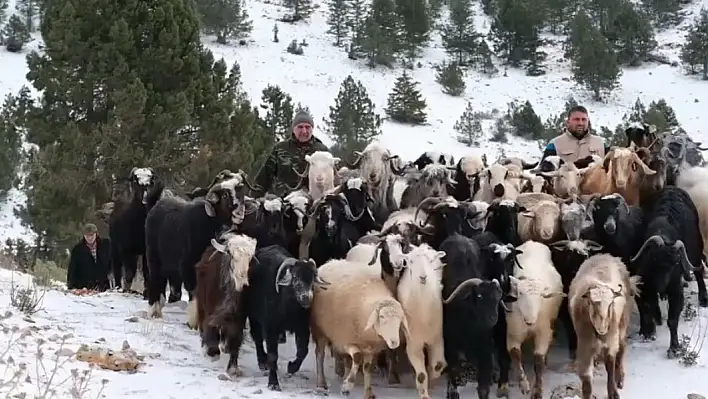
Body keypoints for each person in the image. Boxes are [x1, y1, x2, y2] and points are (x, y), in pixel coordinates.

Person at [253, 109, 329, 197]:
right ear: (293, 129)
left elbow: (335, 180)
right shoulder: (280, 149)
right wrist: (254, 200)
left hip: (314, 204)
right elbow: (263, 178)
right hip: (283, 203)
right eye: (300, 127)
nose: (304, 131)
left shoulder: (322, 151)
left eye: (307, 127)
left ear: (312, 129)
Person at [542, 105, 609, 164]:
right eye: (576, 119)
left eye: (584, 119)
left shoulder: (600, 143)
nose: (580, 123)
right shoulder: (554, 144)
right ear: (568, 122)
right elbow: (543, 173)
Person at [66, 223, 111, 292]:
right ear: (84, 235)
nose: (90, 238)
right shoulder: (77, 249)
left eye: (92, 235)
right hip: (85, 287)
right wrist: (71, 286)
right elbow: (72, 268)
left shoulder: (106, 245)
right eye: (87, 236)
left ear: (96, 234)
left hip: (104, 286)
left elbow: (112, 261)